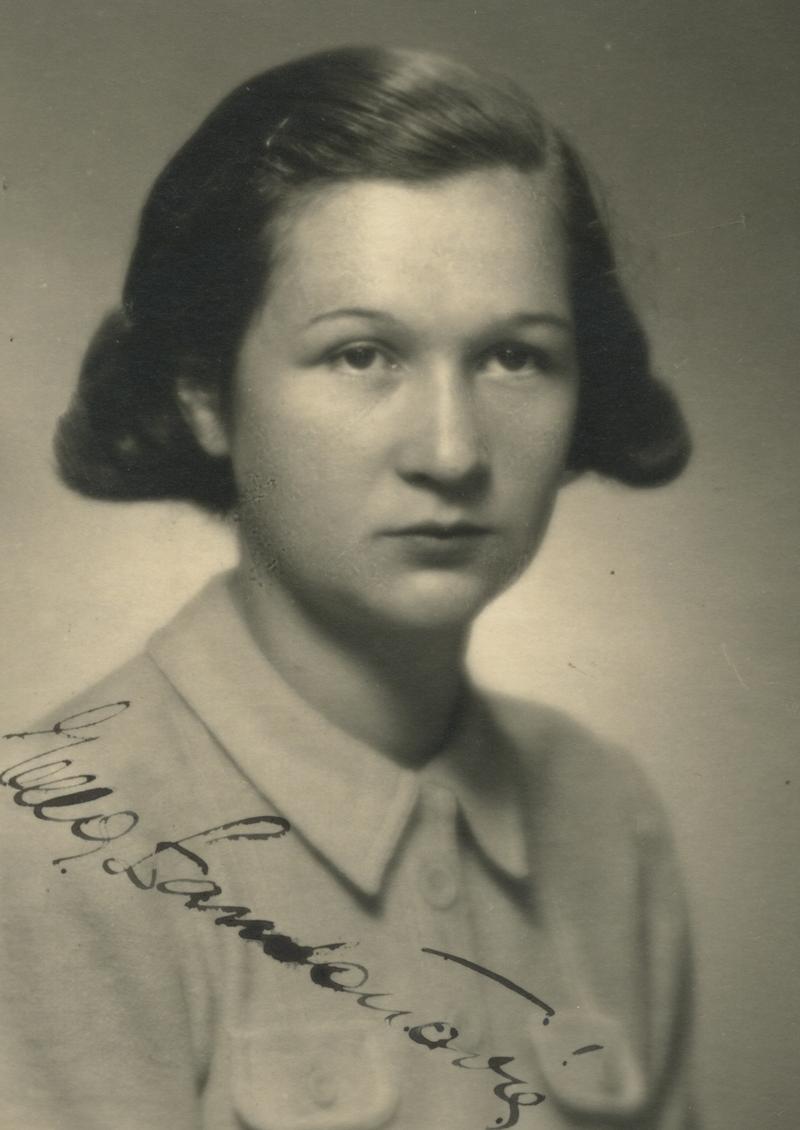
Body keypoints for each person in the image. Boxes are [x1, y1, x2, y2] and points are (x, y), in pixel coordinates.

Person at [0, 46, 698, 1129]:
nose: (451, 450)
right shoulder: (57, 848)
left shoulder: (606, 816)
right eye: (363, 354)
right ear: (205, 395)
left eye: (514, 357)